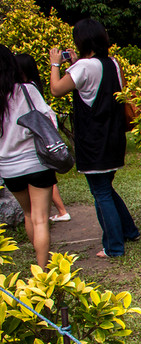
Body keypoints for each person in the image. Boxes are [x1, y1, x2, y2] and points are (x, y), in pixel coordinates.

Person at [49, 18, 140, 257]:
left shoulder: (82, 67)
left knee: (100, 192)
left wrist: (55, 64)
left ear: (81, 40)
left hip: (93, 141)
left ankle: (114, 247)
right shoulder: (112, 63)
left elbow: (56, 90)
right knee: (105, 188)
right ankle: (129, 231)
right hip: (113, 137)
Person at [0, 45, 56, 268]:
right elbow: (49, 119)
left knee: (29, 214)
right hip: (36, 162)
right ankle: (42, 274)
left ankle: (39, 263)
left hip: (8, 167)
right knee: (41, 219)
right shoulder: (26, 90)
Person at [14, 53, 70, 223]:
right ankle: (61, 211)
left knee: (31, 215)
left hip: (17, 161)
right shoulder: (32, 88)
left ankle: (62, 211)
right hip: (35, 157)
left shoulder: (22, 90)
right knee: (39, 218)